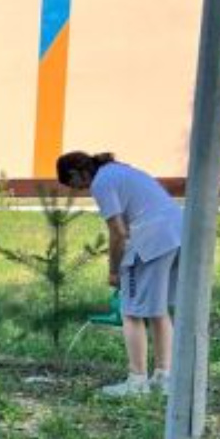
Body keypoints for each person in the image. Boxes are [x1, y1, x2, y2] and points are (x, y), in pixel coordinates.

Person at [58, 151, 184, 397]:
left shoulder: (101, 182)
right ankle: (163, 378)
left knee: (131, 312)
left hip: (152, 238)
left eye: (72, 184)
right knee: (158, 310)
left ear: (77, 173)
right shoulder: (119, 170)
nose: (77, 190)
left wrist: (115, 271)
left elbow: (118, 232)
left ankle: (136, 382)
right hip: (178, 234)